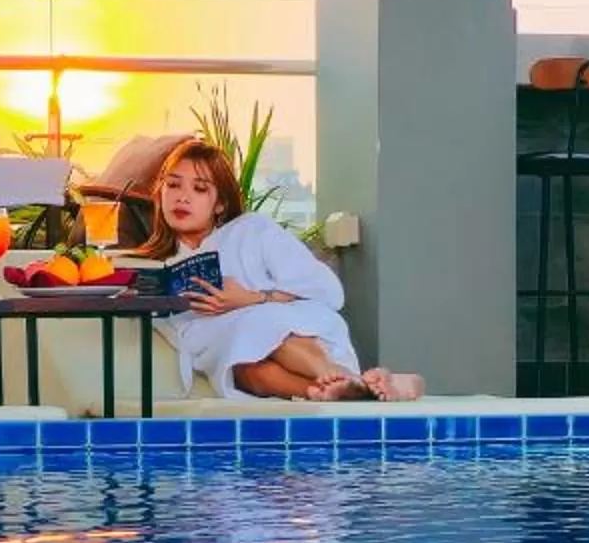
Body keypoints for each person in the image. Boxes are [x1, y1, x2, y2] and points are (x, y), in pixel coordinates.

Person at [138, 138, 422, 402]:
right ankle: (329, 392)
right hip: (217, 345)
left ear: (220, 204)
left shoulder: (252, 231)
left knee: (260, 323)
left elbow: (329, 291)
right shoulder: (151, 264)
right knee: (246, 369)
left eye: (199, 189)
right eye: (173, 185)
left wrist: (250, 299)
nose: (182, 198)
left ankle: (340, 375)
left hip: (288, 330)